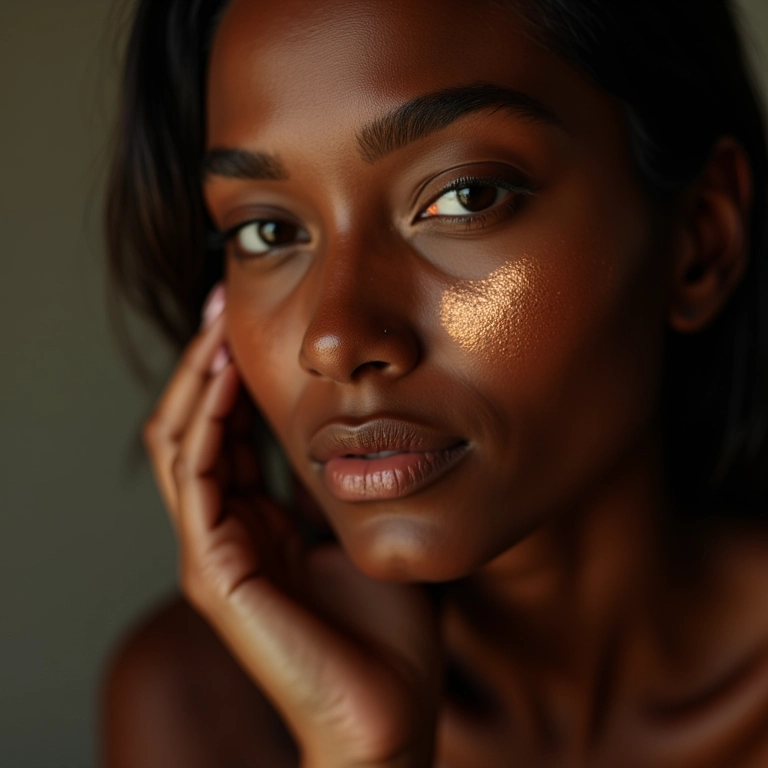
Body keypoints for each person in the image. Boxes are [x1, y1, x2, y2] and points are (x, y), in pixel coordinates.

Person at [101, 0, 768, 765]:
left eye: (465, 196)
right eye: (269, 232)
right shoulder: (196, 701)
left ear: (700, 238)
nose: (335, 340)